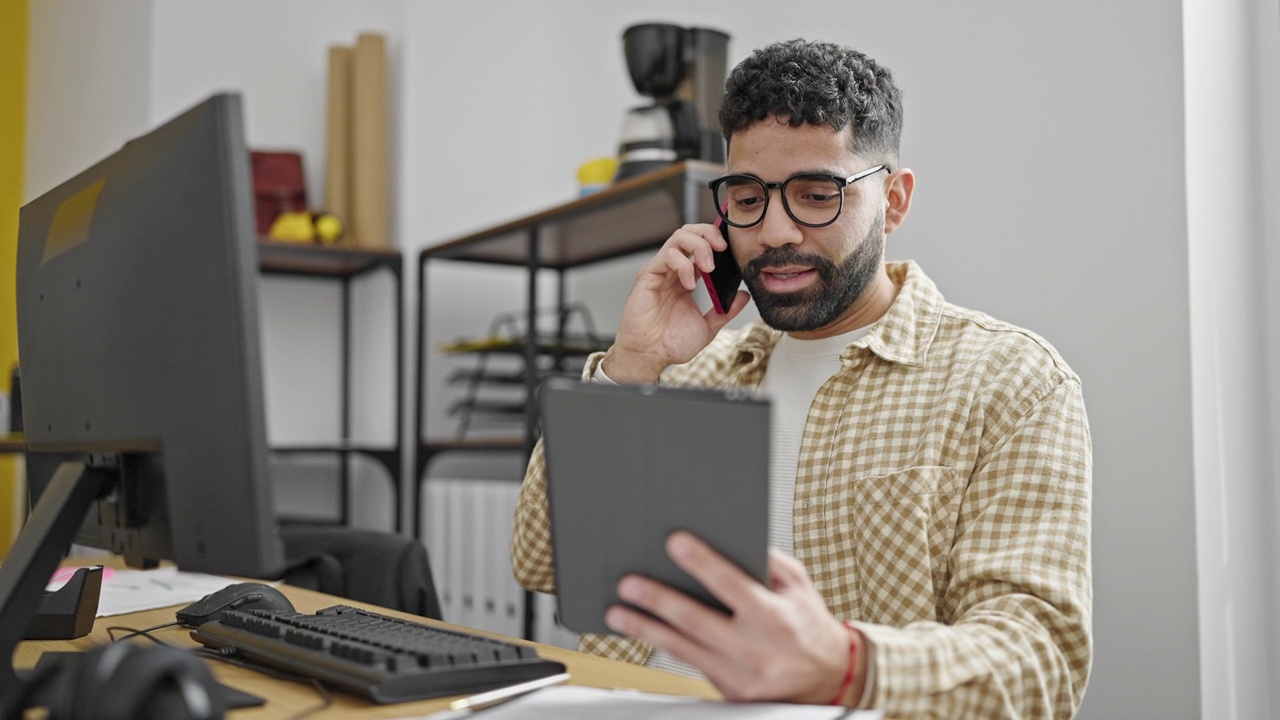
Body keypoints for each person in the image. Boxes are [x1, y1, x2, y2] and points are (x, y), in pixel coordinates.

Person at [511, 37, 1092, 719]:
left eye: (818, 195)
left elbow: (1040, 663)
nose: (776, 231)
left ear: (894, 202)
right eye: (749, 198)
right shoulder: (695, 371)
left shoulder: (1008, 381)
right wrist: (632, 362)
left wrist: (845, 666)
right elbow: (539, 562)